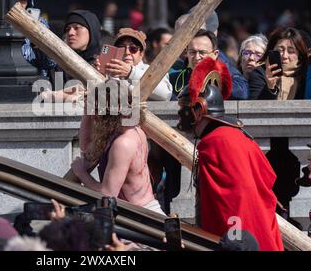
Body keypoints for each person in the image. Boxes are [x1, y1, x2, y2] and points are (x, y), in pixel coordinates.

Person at [176, 57, 283, 251]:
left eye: (184, 110)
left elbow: (233, 202)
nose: (181, 116)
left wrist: (234, 241)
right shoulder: (232, 135)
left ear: (199, 110)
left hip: (244, 235)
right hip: (255, 229)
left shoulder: (219, 143)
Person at [71, 80, 166, 215]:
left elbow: (108, 194)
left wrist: (81, 174)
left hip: (142, 218)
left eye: (97, 110)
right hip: (137, 213)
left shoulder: (123, 143)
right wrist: (87, 110)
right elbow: (86, 148)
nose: (94, 116)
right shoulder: (126, 130)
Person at [97, 27, 172, 101]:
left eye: (133, 48)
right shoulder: (107, 72)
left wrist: (131, 72)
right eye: (122, 48)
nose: (127, 52)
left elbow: (166, 95)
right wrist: (97, 74)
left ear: (141, 54)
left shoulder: (153, 70)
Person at [249, 27, 309, 100]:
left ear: (299, 54)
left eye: (291, 51)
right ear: (272, 50)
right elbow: (254, 108)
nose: (284, 56)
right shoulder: (259, 73)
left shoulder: (305, 74)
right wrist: (271, 88)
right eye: (280, 50)